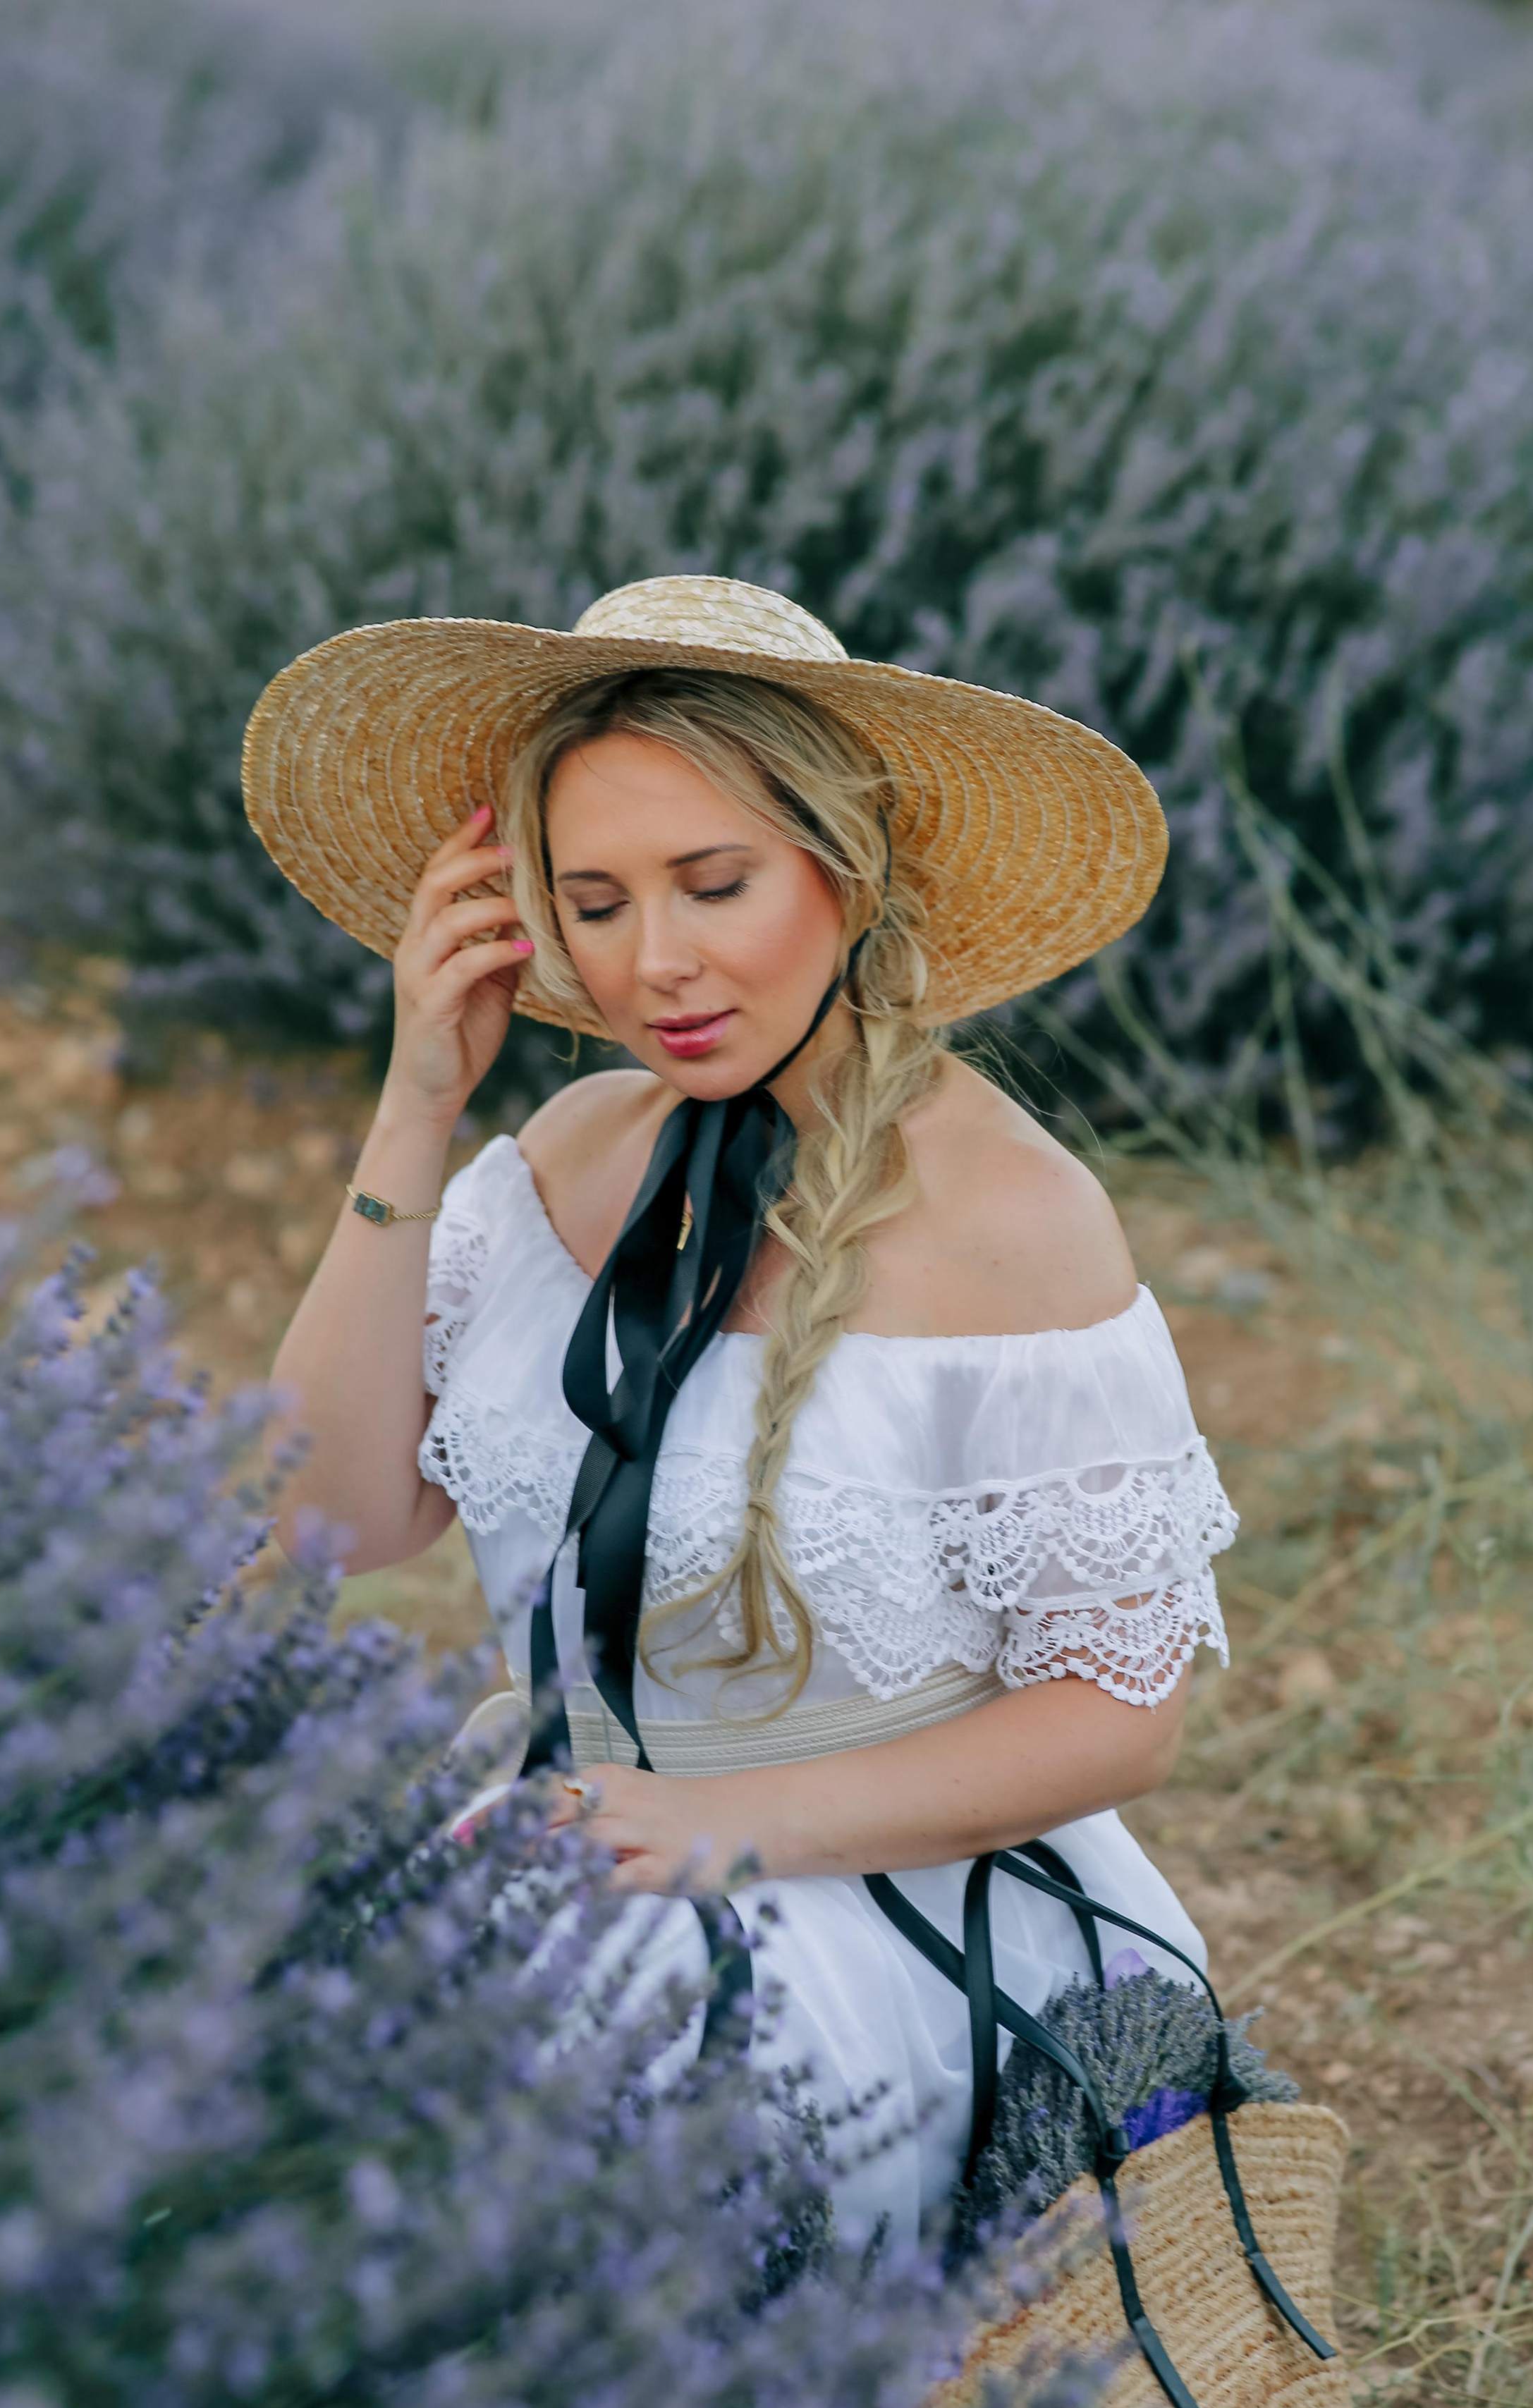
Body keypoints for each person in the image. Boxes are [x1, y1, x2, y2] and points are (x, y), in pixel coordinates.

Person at [252, 575, 1238, 2251]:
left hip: (903, 1908)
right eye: (598, 900)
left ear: (844, 875)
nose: (659, 963)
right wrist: (416, 1112)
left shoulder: (1016, 1216)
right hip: (581, 1852)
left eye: (715, 884)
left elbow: (1115, 1716)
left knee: (547, 2141)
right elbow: (319, 1523)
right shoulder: (559, 1161)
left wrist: (717, 1824)